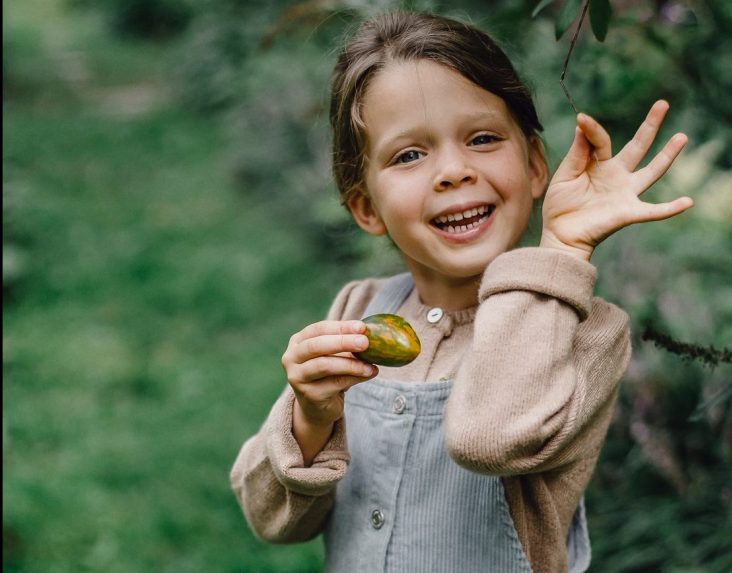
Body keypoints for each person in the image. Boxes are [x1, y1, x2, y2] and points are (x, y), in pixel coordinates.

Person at [231, 10, 693, 573]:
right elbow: (270, 519)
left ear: (534, 166)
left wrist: (562, 251)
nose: (453, 170)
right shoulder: (360, 312)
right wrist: (310, 417)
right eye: (409, 155)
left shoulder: (587, 332)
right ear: (366, 207)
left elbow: (489, 439)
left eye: (481, 138)